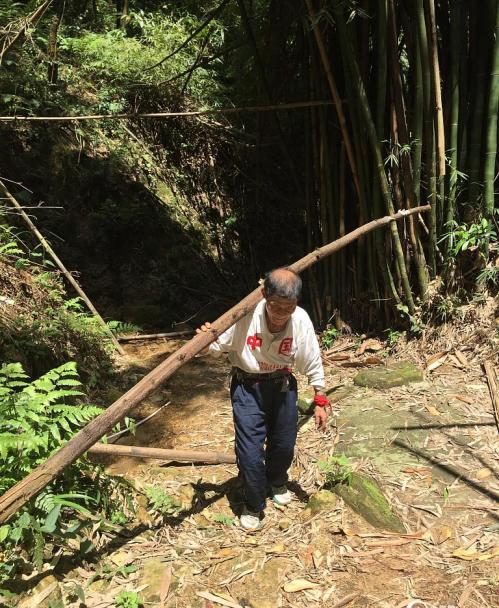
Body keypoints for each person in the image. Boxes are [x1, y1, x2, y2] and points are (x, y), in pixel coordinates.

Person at [197, 267, 330, 530]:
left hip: (282, 387)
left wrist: (320, 397)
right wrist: (205, 337)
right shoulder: (244, 317)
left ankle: (277, 480)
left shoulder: (300, 320)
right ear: (263, 296)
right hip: (248, 388)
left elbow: (311, 359)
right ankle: (254, 503)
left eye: (288, 307)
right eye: (275, 306)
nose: (281, 314)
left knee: (284, 443)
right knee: (249, 452)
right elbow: (214, 347)